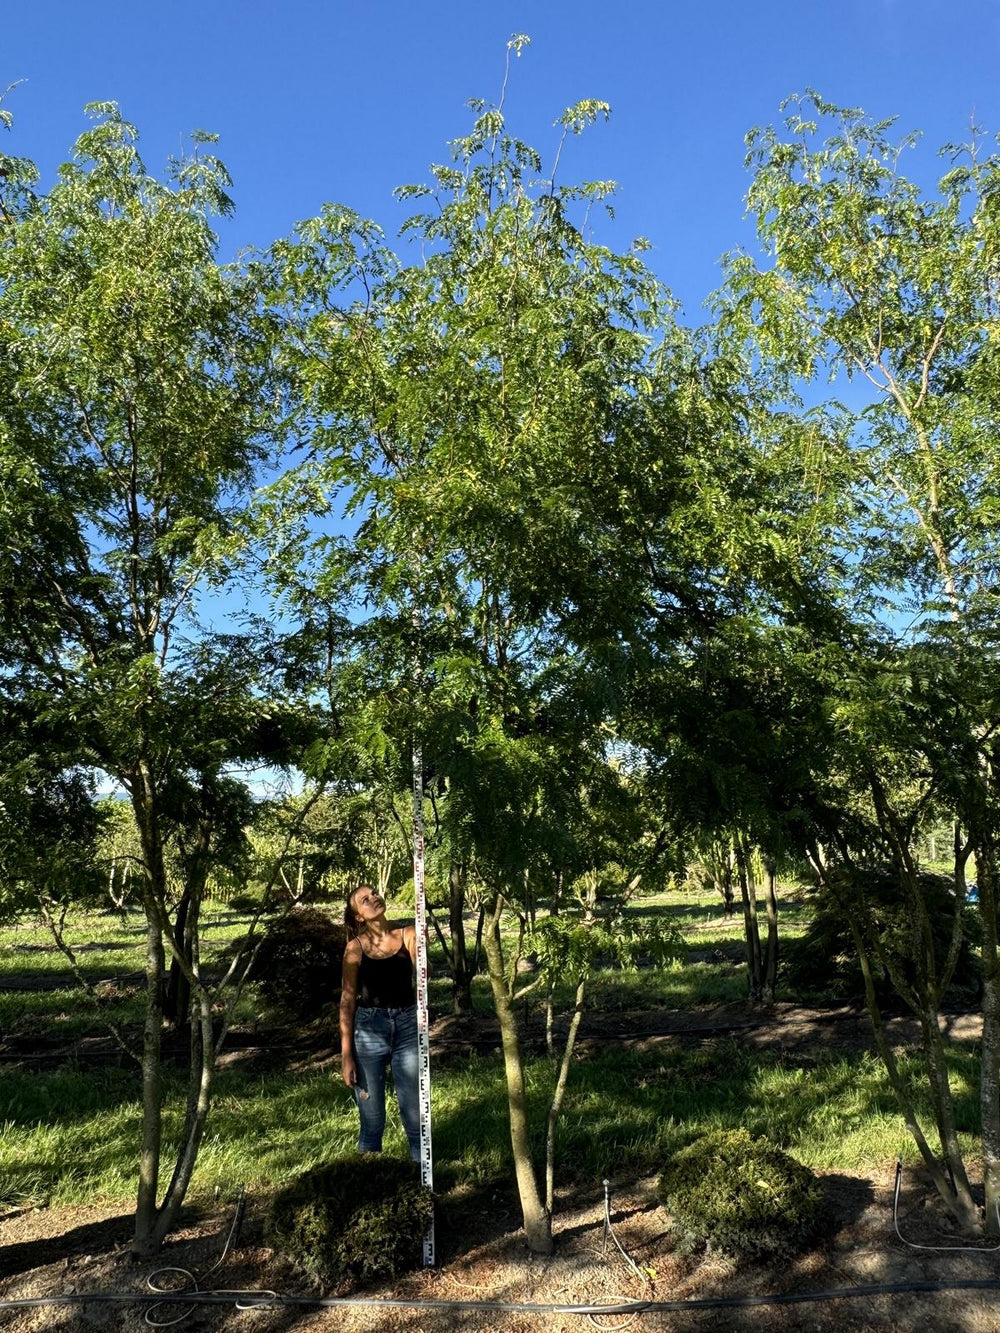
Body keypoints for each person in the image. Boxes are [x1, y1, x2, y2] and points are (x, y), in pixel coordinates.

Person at [339, 883, 421, 1161]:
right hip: (369, 1030)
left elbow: (424, 974)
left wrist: (424, 959)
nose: (373, 898)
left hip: (408, 1025)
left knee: (414, 1116)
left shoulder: (409, 933)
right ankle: (369, 1185)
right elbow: (347, 1001)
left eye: (374, 893)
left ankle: (422, 1185)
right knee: (372, 1121)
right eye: (365, 899)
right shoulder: (355, 948)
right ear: (359, 916)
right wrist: (346, 1054)